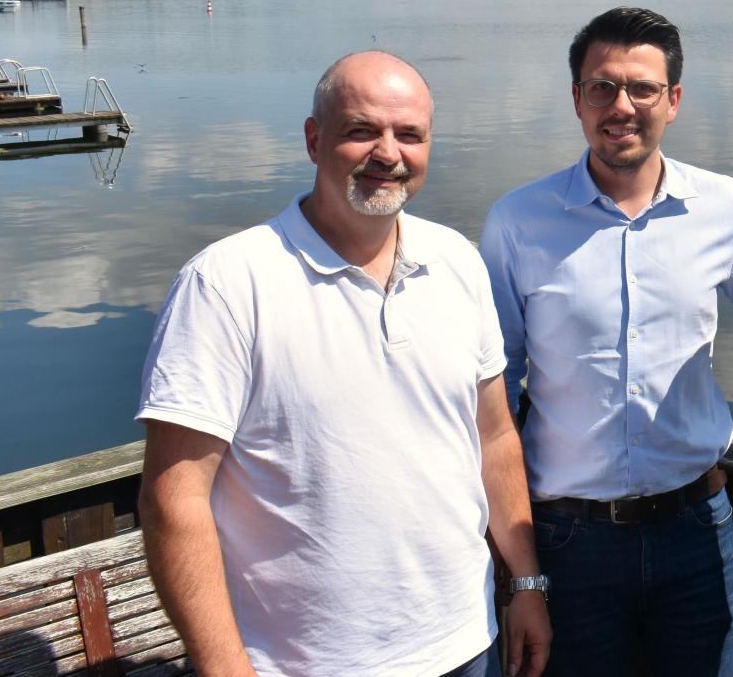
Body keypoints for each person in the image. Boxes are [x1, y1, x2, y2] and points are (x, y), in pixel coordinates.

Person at [136, 51, 551, 677]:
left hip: (466, 644)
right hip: (303, 663)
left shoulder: (457, 263)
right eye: (363, 130)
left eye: (409, 135)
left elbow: (492, 436)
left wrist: (526, 584)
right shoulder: (227, 283)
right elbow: (175, 497)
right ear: (313, 139)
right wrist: (223, 667)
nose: (388, 153)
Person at [480, 7, 733, 676]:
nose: (622, 105)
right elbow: (493, 393)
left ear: (673, 100)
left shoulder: (724, 208)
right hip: (565, 541)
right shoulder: (518, 221)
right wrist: (518, 568)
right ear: (576, 100)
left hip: (699, 527)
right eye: (601, 87)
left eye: (642, 88)